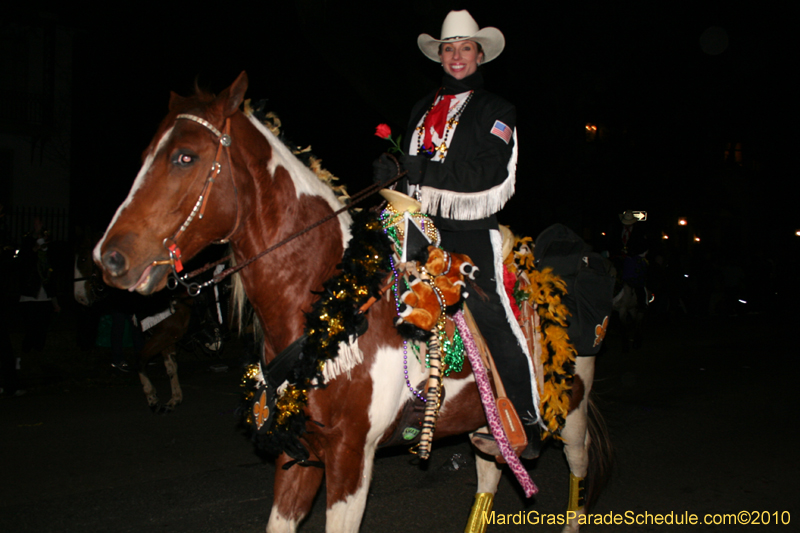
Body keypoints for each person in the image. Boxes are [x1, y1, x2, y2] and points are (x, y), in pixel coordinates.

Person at [374, 10, 540, 455]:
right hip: (419, 225)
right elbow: (412, 169)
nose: (456, 56)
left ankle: (526, 422)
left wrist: (423, 171)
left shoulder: (497, 110)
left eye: (465, 48)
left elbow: (488, 171)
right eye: (449, 49)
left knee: (492, 315)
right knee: (383, 297)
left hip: (469, 231)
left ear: (479, 55)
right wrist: (392, 173)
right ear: (440, 56)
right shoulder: (422, 108)